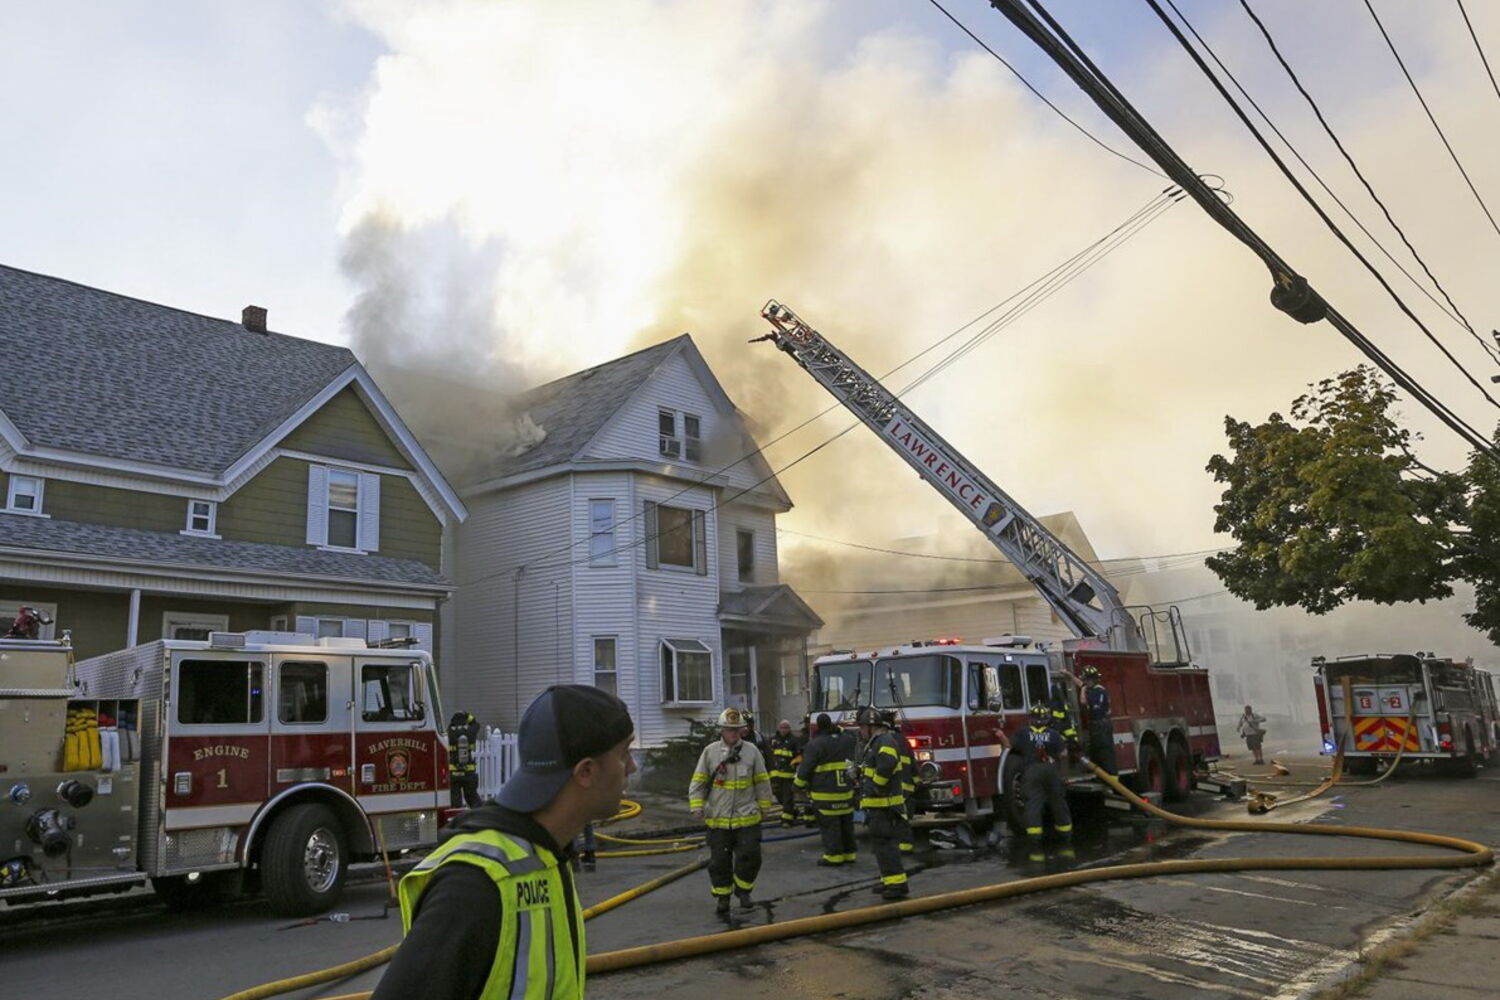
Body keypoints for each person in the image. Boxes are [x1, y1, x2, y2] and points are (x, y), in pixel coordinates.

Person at [374, 685, 636, 1000]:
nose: (632, 767)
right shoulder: (473, 886)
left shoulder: (547, 856)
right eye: (624, 754)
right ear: (586, 772)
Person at [689, 707, 775, 913]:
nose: (734, 733)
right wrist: (696, 805)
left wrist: (765, 806)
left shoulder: (752, 752)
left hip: (747, 818)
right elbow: (698, 781)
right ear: (722, 730)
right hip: (718, 819)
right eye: (729, 729)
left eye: (737, 729)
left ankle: (743, 891)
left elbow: (762, 781)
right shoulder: (710, 752)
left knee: (751, 857)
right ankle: (723, 897)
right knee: (719, 862)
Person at [856, 706, 909, 900]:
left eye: (862, 727)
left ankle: (897, 885)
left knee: (886, 845)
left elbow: (887, 764)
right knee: (880, 846)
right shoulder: (875, 742)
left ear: (871, 726)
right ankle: (888, 880)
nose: (861, 731)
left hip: (885, 805)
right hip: (877, 805)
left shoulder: (884, 741)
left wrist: (877, 786)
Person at [795, 712, 857, 867]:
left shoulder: (815, 744)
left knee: (830, 826)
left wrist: (797, 785)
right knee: (846, 825)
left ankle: (833, 856)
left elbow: (806, 768)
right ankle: (849, 853)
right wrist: (840, 729)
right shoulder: (846, 740)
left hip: (825, 795)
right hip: (846, 793)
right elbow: (853, 736)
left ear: (818, 726)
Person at [1010, 702, 1072, 842]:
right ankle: (1065, 834)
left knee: (1033, 803)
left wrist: (1000, 735)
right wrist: (1065, 776)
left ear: (1030, 718)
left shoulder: (1022, 733)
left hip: (1032, 771)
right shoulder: (1054, 734)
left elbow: (1009, 745)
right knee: (1058, 802)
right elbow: (1063, 754)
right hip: (1052, 771)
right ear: (1047, 719)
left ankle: (1035, 837)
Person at [1075, 664, 1116, 775]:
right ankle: (1103, 776)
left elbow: (1083, 701)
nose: (1084, 682)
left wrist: (1082, 690)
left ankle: (1111, 778)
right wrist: (1069, 675)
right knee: (1096, 753)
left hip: (1101, 727)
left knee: (1104, 754)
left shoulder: (1096, 692)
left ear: (1090, 680)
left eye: (1085, 680)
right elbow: (1080, 683)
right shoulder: (1095, 689)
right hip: (1099, 726)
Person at [766, 719, 803, 826]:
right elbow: (769, 755)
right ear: (778, 728)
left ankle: (787, 820)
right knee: (778, 794)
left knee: (787, 796)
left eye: (786, 727)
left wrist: (793, 763)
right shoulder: (773, 740)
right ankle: (792, 811)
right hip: (776, 775)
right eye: (782, 727)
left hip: (788, 775)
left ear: (789, 729)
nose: (783, 730)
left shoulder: (794, 740)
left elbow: (800, 756)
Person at [446, 711, 484, 809]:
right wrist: (467, 715)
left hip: (454, 773)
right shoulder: (471, 731)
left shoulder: (449, 732)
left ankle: (457, 815)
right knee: (473, 798)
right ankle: (478, 814)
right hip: (469, 772)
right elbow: (476, 723)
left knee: (455, 801)